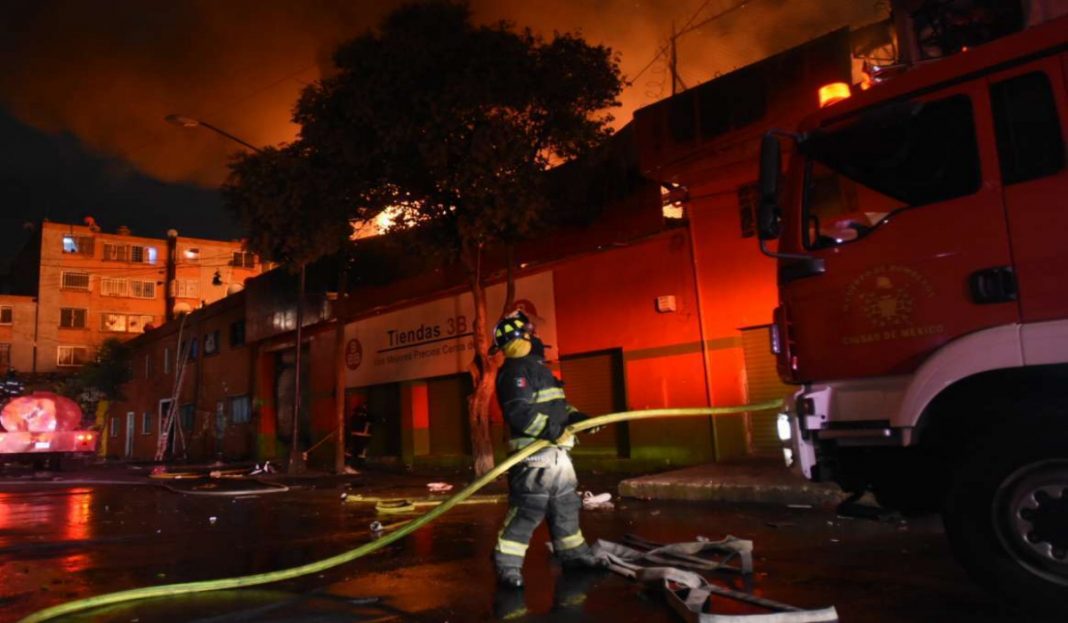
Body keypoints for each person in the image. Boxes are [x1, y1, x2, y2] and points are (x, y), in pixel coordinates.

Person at [492, 310, 605, 588]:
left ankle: (574, 555)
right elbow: (518, 412)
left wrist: (578, 419)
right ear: (523, 337)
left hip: (557, 455)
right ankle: (507, 565)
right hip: (533, 456)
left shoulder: (539, 370)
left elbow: (558, 408)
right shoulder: (515, 372)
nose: (536, 336)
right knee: (529, 509)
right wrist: (553, 430)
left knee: (565, 505)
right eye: (531, 332)